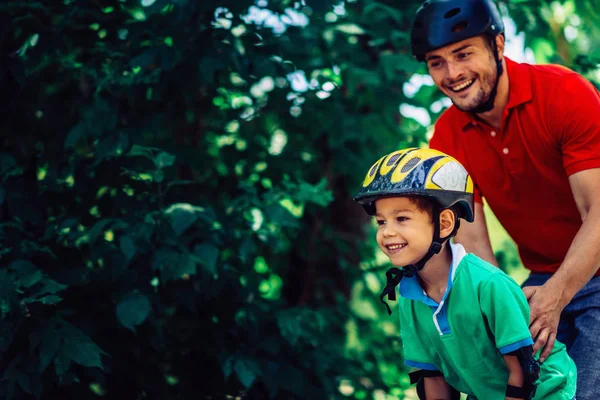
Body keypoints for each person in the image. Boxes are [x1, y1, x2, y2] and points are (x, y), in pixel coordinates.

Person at [410, 0, 600, 398]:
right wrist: (498, 313)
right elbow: (474, 247)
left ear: (498, 45)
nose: (453, 74)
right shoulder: (445, 139)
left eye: (464, 54)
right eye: (436, 62)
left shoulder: (565, 94)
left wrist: (557, 295)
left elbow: (597, 211)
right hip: (542, 281)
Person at [353, 148, 576, 399]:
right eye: (381, 222)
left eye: (402, 218)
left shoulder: (488, 285)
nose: (387, 232)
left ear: (445, 223)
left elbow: (522, 373)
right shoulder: (410, 298)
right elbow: (433, 378)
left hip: (548, 392)